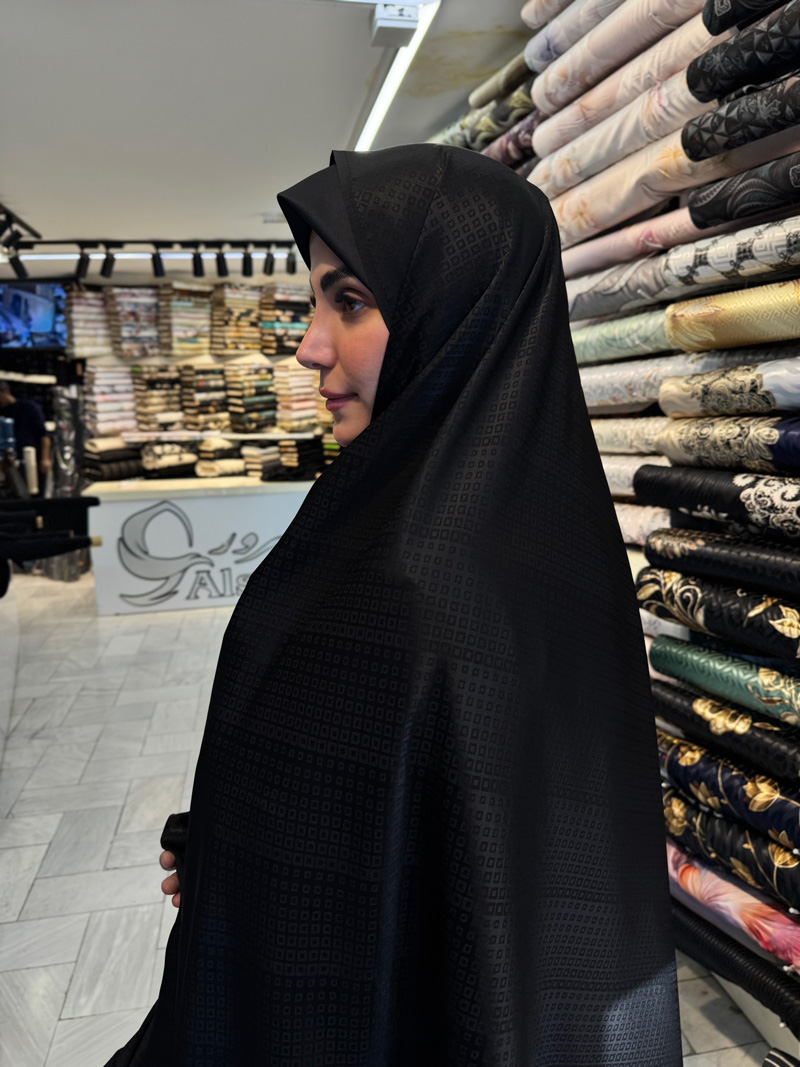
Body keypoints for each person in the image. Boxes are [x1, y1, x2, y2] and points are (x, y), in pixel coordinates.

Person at [111, 144, 682, 1065]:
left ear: (452, 309)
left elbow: (365, 875)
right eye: (316, 301)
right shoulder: (537, 543)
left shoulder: (417, 581)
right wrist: (227, 840)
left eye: (351, 301)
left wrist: (240, 865)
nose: (308, 345)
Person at [0, 379, 52, 478]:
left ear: (6, 392)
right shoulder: (3, 412)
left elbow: (44, 435)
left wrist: (45, 458)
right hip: (12, 461)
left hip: (32, 458)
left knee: (34, 484)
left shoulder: (28, 407)